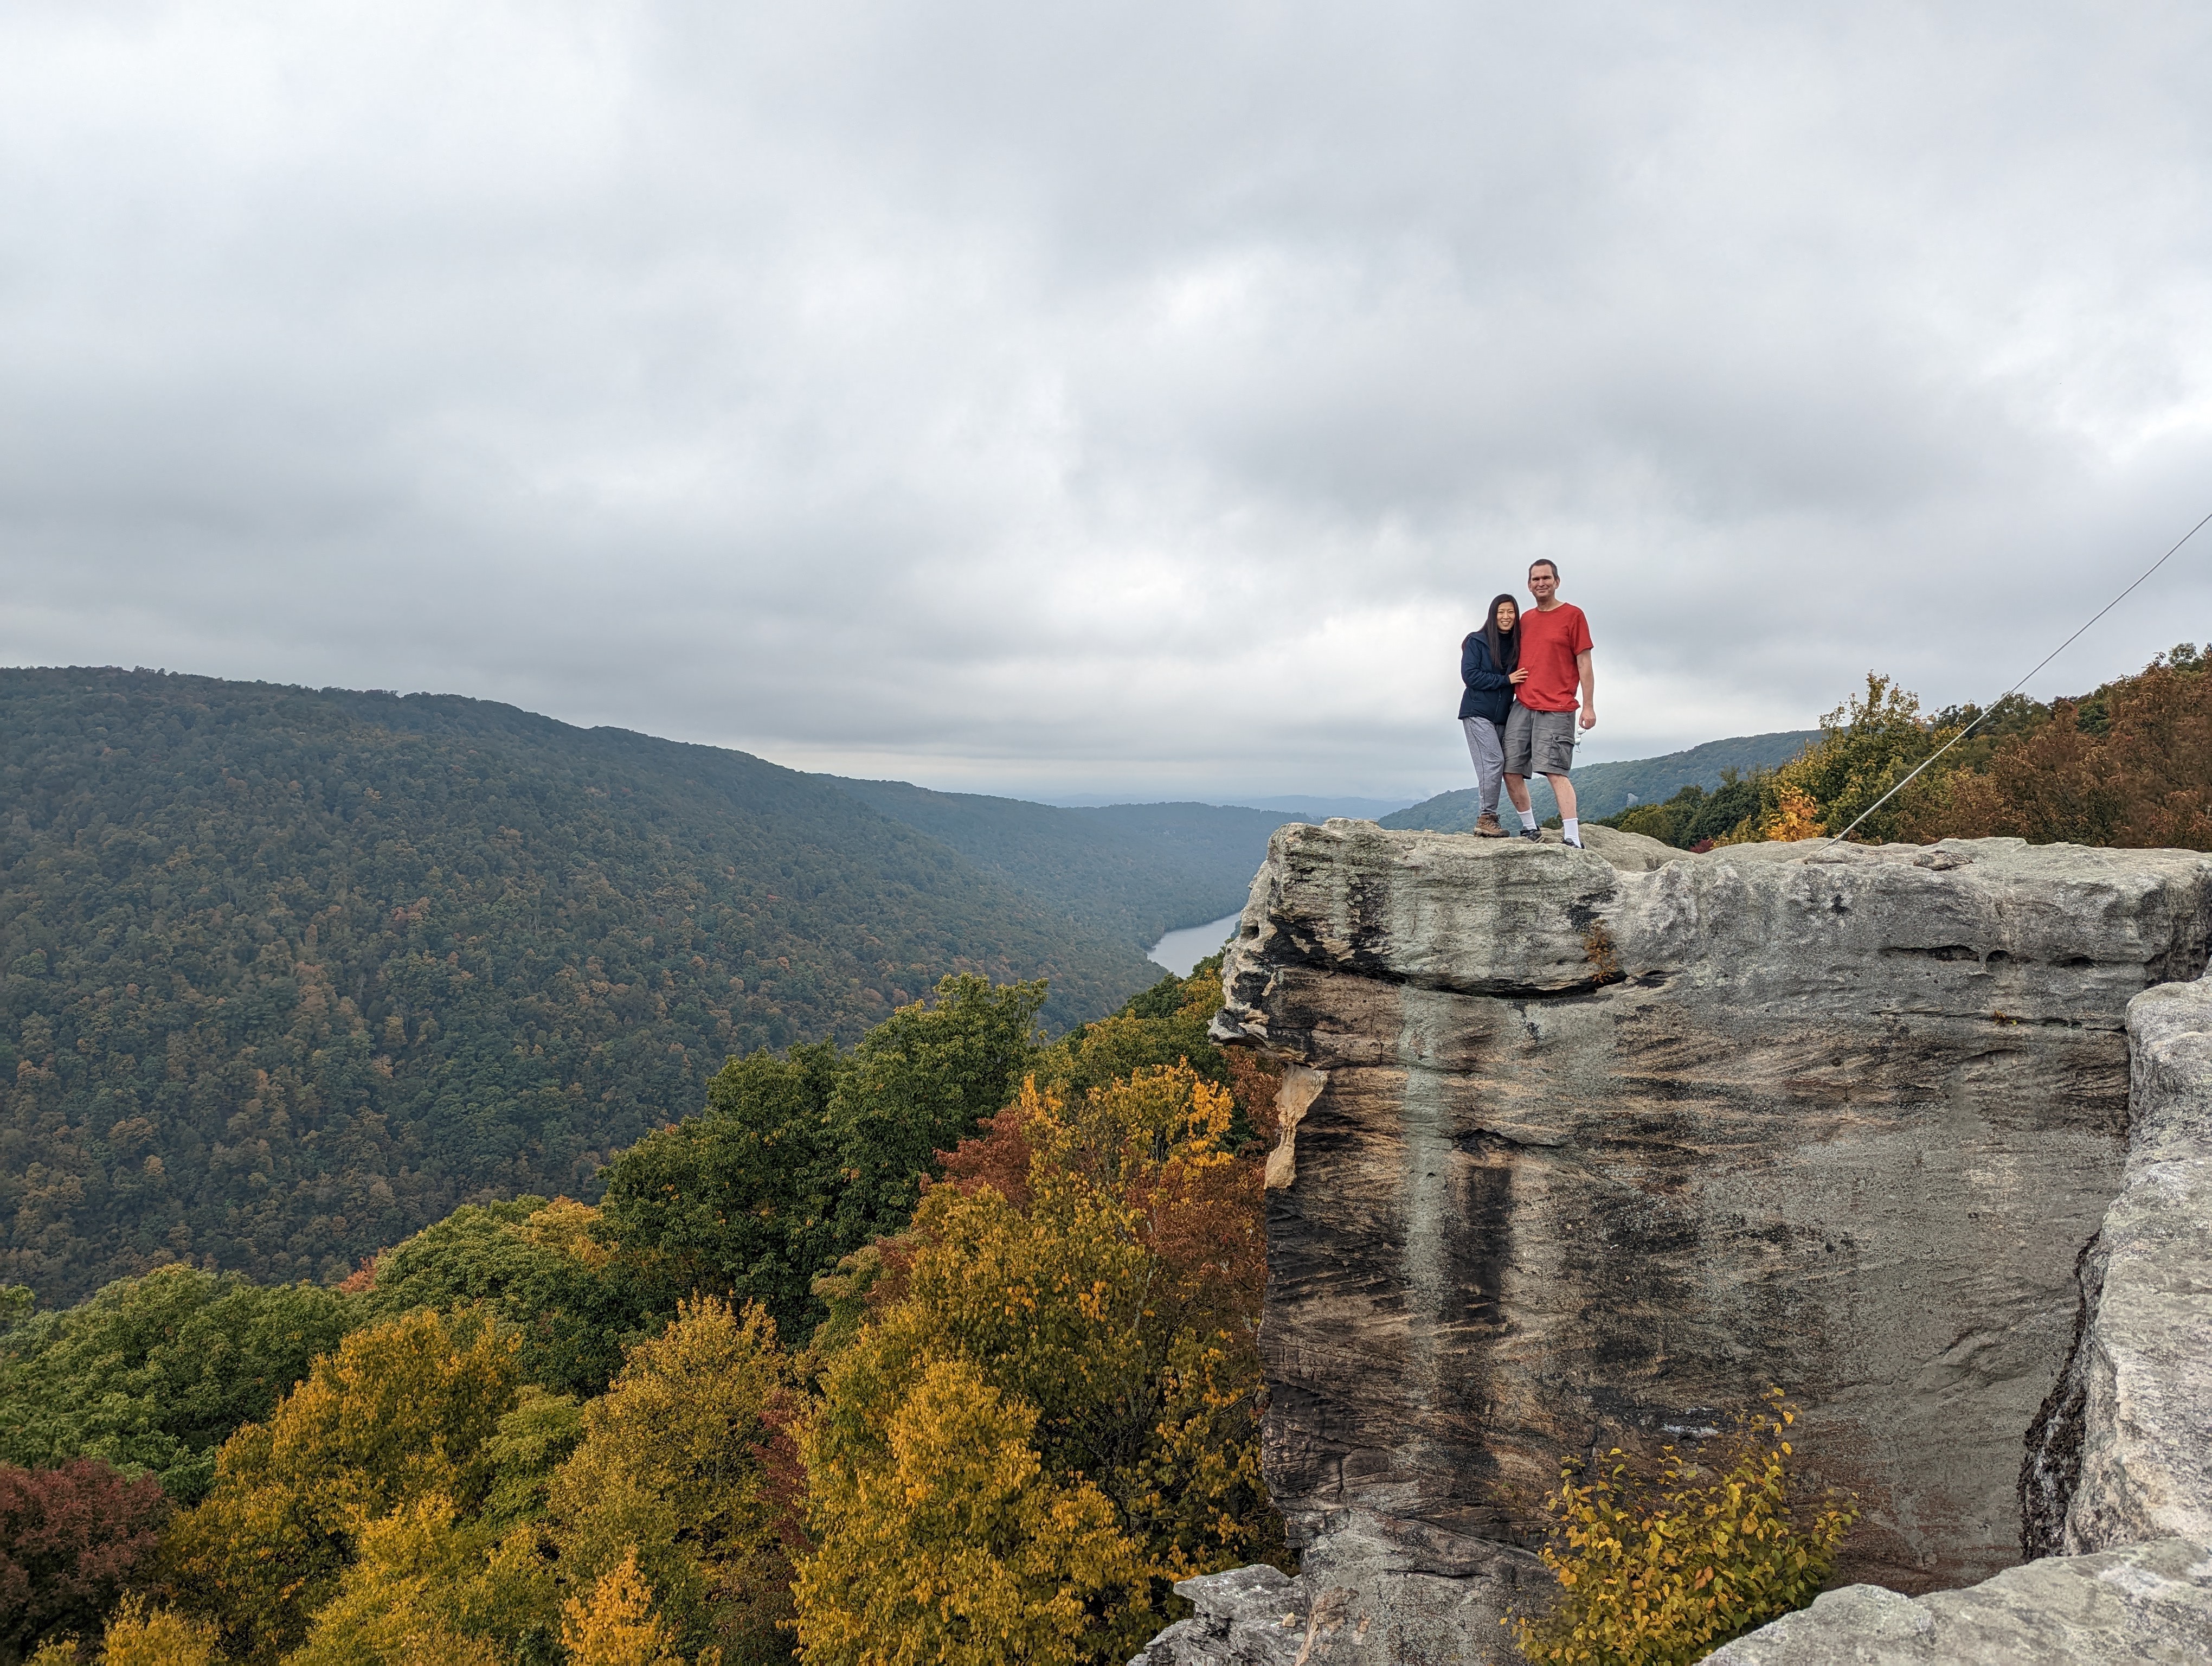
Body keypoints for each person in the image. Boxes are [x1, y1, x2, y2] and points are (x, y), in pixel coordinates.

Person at [1501, 558, 1596, 848]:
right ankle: (1530, 828)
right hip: (1523, 704)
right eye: (1535, 579)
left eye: (1546, 578)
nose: (1540, 583)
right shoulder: (1525, 619)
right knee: (1510, 769)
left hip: (1557, 707)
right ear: (1529, 585)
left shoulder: (1573, 615)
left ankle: (1572, 837)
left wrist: (1589, 705)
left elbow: (1585, 663)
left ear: (1557, 581)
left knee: (1555, 771)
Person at [1458, 594, 1522, 837]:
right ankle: (1486, 818)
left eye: (1511, 613)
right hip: (1476, 712)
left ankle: (1518, 821)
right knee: (1493, 762)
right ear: (1492, 615)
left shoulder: (1518, 644)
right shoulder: (1477, 641)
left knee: (1508, 765)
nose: (1506, 618)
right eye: (1501, 612)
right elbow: (1470, 676)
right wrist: (1505, 680)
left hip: (1504, 715)